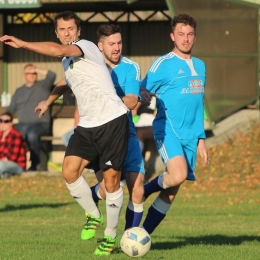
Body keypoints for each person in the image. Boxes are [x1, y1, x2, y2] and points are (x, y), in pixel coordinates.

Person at [0, 11, 129, 255]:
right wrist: (48, 101)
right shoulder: (67, 60)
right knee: (69, 171)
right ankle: (93, 214)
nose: (67, 33)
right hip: (88, 125)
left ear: (78, 32)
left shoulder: (85, 46)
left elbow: (59, 51)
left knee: (111, 182)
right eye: (62, 29)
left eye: (71, 28)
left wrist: (24, 43)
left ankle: (110, 236)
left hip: (112, 121)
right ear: (56, 33)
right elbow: (66, 81)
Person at [140, 14, 209, 235]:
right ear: (172, 36)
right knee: (177, 175)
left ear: (194, 37)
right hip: (168, 130)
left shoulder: (200, 65)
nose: (185, 38)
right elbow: (143, 87)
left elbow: (198, 104)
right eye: (181, 34)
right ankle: (143, 190)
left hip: (190, 135)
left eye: (189, 34)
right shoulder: (163, 63)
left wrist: (201, 139)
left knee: (171, 191)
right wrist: (142, 95)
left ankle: (142, 235)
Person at [88, 23, 145, 232]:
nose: (117, 47)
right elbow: (67, 81)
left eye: (119, 42)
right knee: (106, 189)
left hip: (126, 132)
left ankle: (130, 237)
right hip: (101, 134)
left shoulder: (131, 67)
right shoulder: (90, 66)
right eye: (111, 43)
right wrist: (48, 101)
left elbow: (131, 101)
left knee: (137, 189)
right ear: (100, 46)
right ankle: (93, 195)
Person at [6, 64, 56, 171]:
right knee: (10, 133)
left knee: (32, 134)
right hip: (22, 125)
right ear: (24, 75)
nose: (32, 75)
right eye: (29, 73)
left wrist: (36, 68)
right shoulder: (19, 91)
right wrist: (5, 122)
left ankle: (35, 164)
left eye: (34, 73)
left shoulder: (43, 86)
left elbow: (52, 75)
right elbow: (10, 110)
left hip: (41, 124)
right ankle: (10, 163)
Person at [0, 112, 26, 178]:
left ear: (11, 123)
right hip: (3, 163)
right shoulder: (0, 135)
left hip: (17, 165)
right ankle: (5, 175)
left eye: (6, 121)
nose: (2, 123)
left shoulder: (16, 135)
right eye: (0, 121)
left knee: (1, 165)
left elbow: (12, 157)